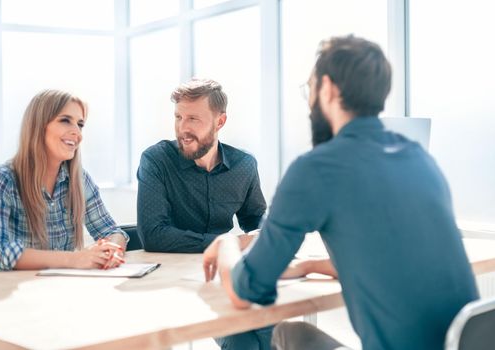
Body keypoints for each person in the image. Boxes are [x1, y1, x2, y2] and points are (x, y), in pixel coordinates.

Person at [203, 35, 479, 350]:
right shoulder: (419, 158)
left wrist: (226, 244)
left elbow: (244, 291)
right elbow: (388, 255)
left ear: (329, 89)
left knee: (289, 334)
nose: (309, 104)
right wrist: (308, 266)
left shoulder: (318, 169)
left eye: (310, 89)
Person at [137, 78, 270, 349]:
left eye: (194, 119)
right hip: (170, 280)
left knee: (266, 328)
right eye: (178, 117)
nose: (183, 128)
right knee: (244, 339)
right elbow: (153, 235)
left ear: (219, 122)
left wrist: (261, 232)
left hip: (220, 276)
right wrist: (226, 243)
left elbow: (255, 217)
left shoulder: (244, 165)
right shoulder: (156, 160)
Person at [0, 89, 128, 271]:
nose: (77, 133)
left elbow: (112, 232)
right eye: (65, 120)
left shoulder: (80, 179)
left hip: (54, 289)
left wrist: (113, 250)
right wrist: (74, 259)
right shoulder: (2, 180)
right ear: (38, 126)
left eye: (80, 124)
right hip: (4, 291)